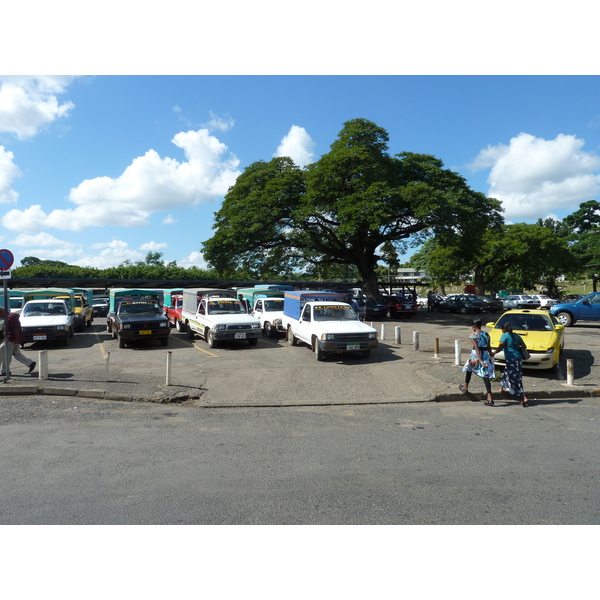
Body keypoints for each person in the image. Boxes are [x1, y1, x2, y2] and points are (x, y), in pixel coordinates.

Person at [491, 323, 530, 407]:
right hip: (518, 359)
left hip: (511, 359)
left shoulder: (505, 336)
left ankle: (523, 397)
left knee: (516, 378)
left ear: (504, 330)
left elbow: (501, 346)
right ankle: (501, 386)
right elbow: (524, 345)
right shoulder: (516, 335)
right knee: (508, 372)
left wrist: (494, 352)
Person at [460, 318, 495, 405]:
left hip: (475, 355)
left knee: (469, 369)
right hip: (485, 354)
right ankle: (489, 397)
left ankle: (465, 387)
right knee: (485, 375)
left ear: (474, 326)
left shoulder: (473, 335)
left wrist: (479, 360)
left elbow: (476, 347)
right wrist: (491, 354)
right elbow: (488, 346)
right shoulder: (486, 334)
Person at [0, 306, 36, 376]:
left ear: (1, 313)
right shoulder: (10, 315)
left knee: (3, 352)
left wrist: (16, 338)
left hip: (11, 339)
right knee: (16, 353)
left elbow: (15, 329)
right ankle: (30, 363)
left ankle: (5, 371)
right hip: (15, 338)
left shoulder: (9, 318)